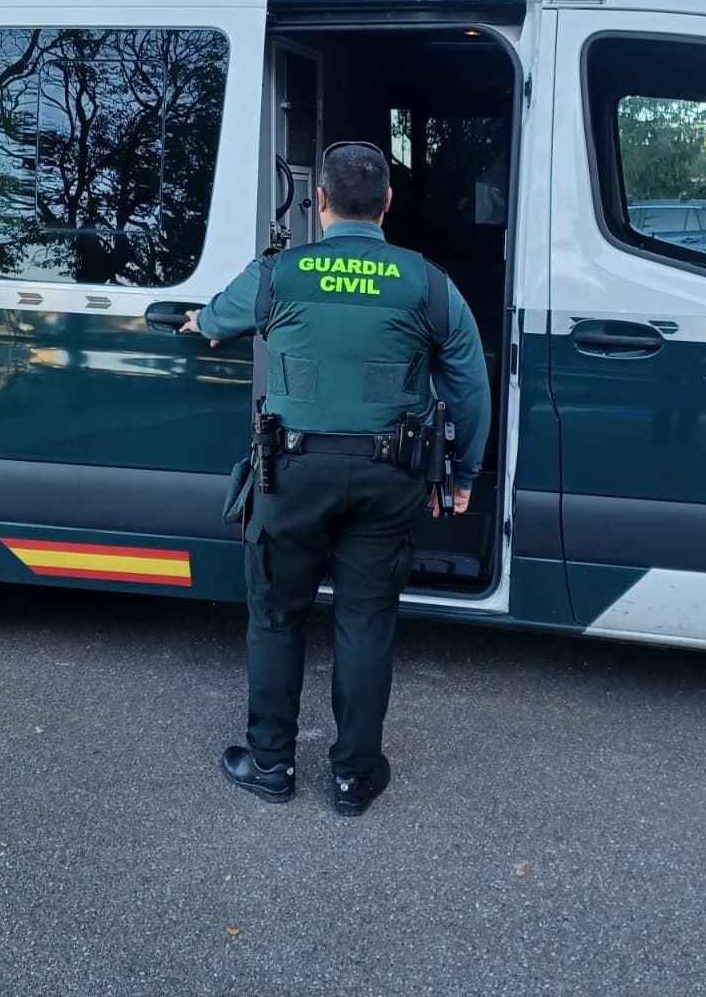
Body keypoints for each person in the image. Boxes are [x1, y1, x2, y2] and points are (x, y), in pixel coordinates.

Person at [182, 141, 490, 816]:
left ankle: (270, 765)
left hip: (291, 474)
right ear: (388, 203)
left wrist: (199, 321)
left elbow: (211, 322)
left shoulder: (279, 274)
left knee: (276, 616)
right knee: (365, 622)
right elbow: (469, 387)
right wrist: (463, 472)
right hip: (391, 478)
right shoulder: (428, 282)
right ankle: (353, 777)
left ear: (317, 201)